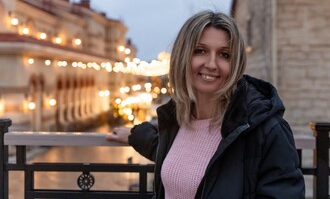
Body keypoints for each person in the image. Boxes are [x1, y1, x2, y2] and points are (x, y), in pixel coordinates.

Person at [106, 10, 305, 198]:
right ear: (183, 57)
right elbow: (176, 154)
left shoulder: (266, 131)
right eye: (200, 51)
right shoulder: (177, 119)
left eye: (224, 55)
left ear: (235, 64)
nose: (211, 64)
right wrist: (133, 135)